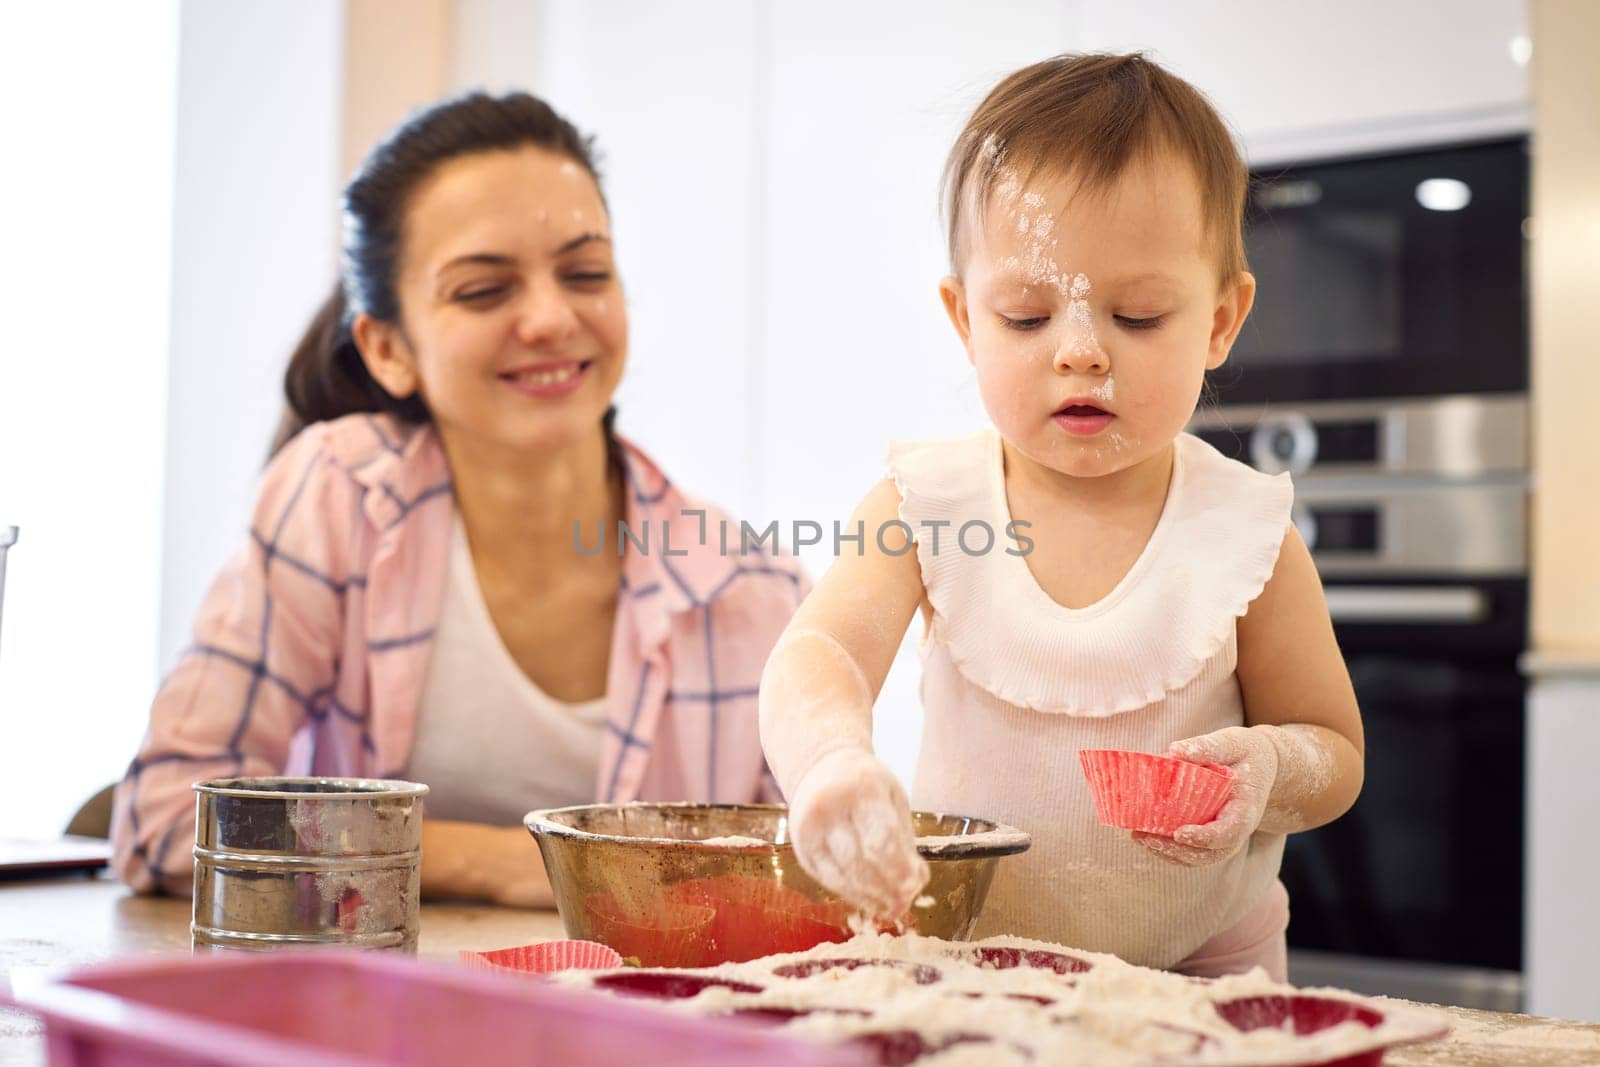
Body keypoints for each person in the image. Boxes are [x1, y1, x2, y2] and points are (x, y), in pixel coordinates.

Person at [112, 91, 806, 906]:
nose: (550, 318)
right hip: (369, 1019)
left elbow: (802, 887)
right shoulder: (338, 497)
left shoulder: (749, 589)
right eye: (483, 290)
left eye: (585, 273)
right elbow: (164, 820)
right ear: (387, 347)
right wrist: (522, 863)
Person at [757, 53, 1364, 981]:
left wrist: (1271, 771)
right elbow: (818, 656)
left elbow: (1336, 753)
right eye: (1028, 316)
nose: (1080, 351)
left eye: (1140, 315)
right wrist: (832, 761)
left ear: (1220, 321)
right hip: (967, 964)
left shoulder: (1247, 537)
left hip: (1208, 976)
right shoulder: (927, 508)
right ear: (966, 319)